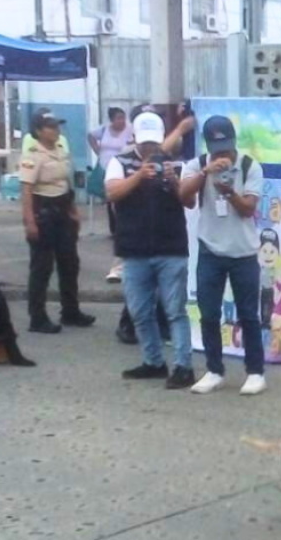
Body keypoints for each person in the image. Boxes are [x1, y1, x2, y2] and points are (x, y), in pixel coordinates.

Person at [105, 110, 195, 389]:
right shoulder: (119, 163)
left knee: (175, 311)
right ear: (135, 140)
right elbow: (112, 193)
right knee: (140, 311)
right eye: (145, 145)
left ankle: (183, 367)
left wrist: (173, 180)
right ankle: (153, 361)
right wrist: (139, 177)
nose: (150, 150)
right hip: (134, 251)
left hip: (171, 249)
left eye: (153, 145)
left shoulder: (175, 165)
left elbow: (188, 202)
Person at [180, 115, 267, 396]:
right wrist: (206, 172)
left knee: (248, 315)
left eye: (227, 147)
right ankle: (214, 370)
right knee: (208, 313)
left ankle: (255, 372)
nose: (223, 154)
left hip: (243, 252)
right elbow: (184, 198)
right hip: (210, 249)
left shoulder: (250, 166)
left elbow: (248, 210)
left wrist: (229, 192)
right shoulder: (196, 165)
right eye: (217, 148)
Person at [19, 108, 95, 334]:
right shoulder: (32, 155)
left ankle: (70, 311)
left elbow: (65, 183)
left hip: (62, 210)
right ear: (39, 131)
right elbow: (26, 190)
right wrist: (29, 221)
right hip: (43, 212)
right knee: (42, 267)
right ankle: (37, 316)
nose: (56, 130)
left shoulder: (61, 148)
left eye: (57, 126)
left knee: (69, 263)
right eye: (51, 127)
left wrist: (73, 210)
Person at [89, 107, 134, 283]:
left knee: (118, 204)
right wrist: (97, 151)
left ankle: (118, 232)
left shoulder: (130, 130)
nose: (121, 121)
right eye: (118, 118)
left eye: (123, 118)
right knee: (111, 201)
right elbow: (91, 136)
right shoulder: (103, 130)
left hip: (125, 173)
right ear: (111, 119)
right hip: (106, 169)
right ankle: (114, 230)